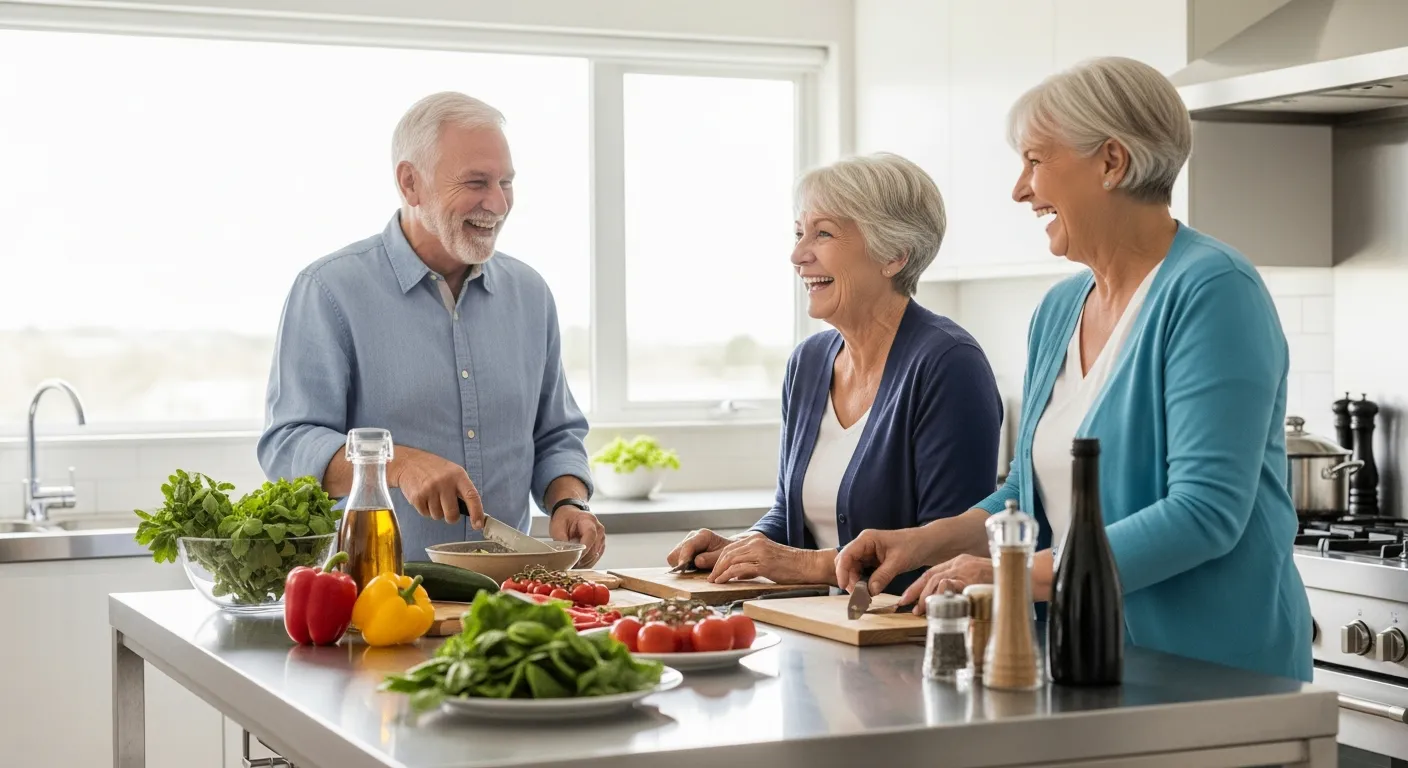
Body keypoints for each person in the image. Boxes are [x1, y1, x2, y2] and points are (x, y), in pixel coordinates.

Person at [836, 57, 1312, 681]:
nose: (1020, 188)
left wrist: (1014, 575)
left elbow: (1204, 513)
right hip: (1080, 659)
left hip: (1208, 670)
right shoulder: (1060, 309)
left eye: (1035, 161)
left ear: (1111, 162)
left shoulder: (1213, 290)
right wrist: (921, 542)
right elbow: (1027, 495)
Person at [258, 92, 606, 567]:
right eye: (477, 182)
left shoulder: (530, 294)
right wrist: (397, 465)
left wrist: (569, 501)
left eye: (506, 182)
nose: (499, 203)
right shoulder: (330, 290)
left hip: (507, 596)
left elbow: (556, 435)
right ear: (410, 183)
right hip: (374, 591)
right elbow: (287, 445)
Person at [667, 153, 1002, 593]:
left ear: (894, 255)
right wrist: (743, 545)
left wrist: (806, 565)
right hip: (818, 630)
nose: (797, 255)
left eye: (822, 234)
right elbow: (791, 515)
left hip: (906, 644)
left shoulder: (948, 363)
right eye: (798, 233)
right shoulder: (807, 364)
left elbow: (949, 557)